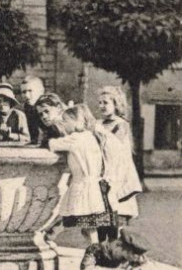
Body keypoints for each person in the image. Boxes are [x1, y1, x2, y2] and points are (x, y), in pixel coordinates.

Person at [45, 104, 113, 245]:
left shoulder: (76, 137)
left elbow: (53, 144)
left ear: (77, 122)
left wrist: (51, 135)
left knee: (73, 216)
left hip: (82, 185)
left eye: (65, 121)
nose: (63, 125)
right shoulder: (91, 136)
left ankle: (50, 235)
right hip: (94, 186)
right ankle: (95, 251)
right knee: (88, 226)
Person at [97, 87, 142, 228]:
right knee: (100, 222)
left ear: (115, 104)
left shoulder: (121, 124)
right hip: (103, 174)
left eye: (105, 102)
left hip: (119, 176)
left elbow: (113, 146)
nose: (101, 106)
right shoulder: (99, 123)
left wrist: (96, 130)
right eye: (99, 103)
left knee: (117, 219)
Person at [20, 77, 46, 143]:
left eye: (30, 91)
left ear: (41, 91)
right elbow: (33, 129)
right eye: (24, 92)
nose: (26, 95)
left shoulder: (49, 105)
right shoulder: (28, 106)